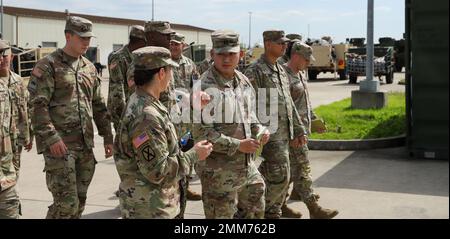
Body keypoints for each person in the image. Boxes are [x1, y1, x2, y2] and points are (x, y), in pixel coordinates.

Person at [28, 16, 114, 219]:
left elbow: (99, 106)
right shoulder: (48, 66)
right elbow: (37, 105)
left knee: (79, 203)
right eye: (82, 38)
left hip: (85, 146)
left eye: (89, 38)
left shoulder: (89, 68)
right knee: (66, 204)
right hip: (60, 147)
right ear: (68, 36)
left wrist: (107, 137)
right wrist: (51, 138)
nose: (87, 43)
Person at [113, 46, 213, 219]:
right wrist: (194, 155)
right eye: (170, 71)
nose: (171, 76)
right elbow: (159, 171)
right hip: (150, 209)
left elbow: (170, 141)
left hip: (155, 205)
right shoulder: (146, 115)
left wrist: (193, 110)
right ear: (161, 73)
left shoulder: (146, 102)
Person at [193, 30, 270, 219]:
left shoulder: (242, 81)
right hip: (218, 173)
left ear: (240, 55)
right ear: (212, 55)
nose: (226, 59)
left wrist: (259, 129)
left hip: (246, 167)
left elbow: (250, 114)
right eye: (221, 54)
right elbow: (202, 134)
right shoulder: (203, 87)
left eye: (231, 54)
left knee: (256, 207)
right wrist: (238, 145)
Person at [244, 30, 308, 219]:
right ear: (268, 44)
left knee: (279, 175)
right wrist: (257, 131)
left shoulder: (280, 69)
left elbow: (288, 102)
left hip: (283, 132)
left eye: (285, 43)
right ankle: (266, 212)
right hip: (268, 133)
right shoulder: (255, 71)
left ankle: (270, 211)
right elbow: (248, 106)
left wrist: (298, 129)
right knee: (280, 175)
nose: (284, 46)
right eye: (280, 43)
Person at [281, 41, 339, 219]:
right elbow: (283, 108)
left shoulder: (300, 75)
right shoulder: (282, 76)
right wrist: (294, 132)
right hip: (290, 133)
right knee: (301, 169)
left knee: (289, 173)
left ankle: (279, 204)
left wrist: (314, 120)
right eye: (306, 59)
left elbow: (305, 104)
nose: (309, 63)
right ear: (296, 56)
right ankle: (314, 209)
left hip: (302, 131)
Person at [169, 32, 202, 201]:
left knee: (187, 148)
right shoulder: (164, 63)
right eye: (172, 43)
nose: (174, 47)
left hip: (186, 118)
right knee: (171, 152)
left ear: (184, 46)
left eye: (177, 44)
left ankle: (185, 187)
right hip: (169, 117)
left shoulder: (190, 65)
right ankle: (172, 188)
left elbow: (196, 88)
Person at [0, 40, 24, 219]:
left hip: (13, 147)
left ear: (12, 56)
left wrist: (27, 135)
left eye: (4, 54)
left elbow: (23, 109)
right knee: (9, 201)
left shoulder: (17, 81)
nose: (2, 59)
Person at [107, 25, 146, 132]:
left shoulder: (137, 57)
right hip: (123, 114)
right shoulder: (119, 58)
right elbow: (117, 91)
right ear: (140, 41)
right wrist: (124, 118)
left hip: (135, 111)